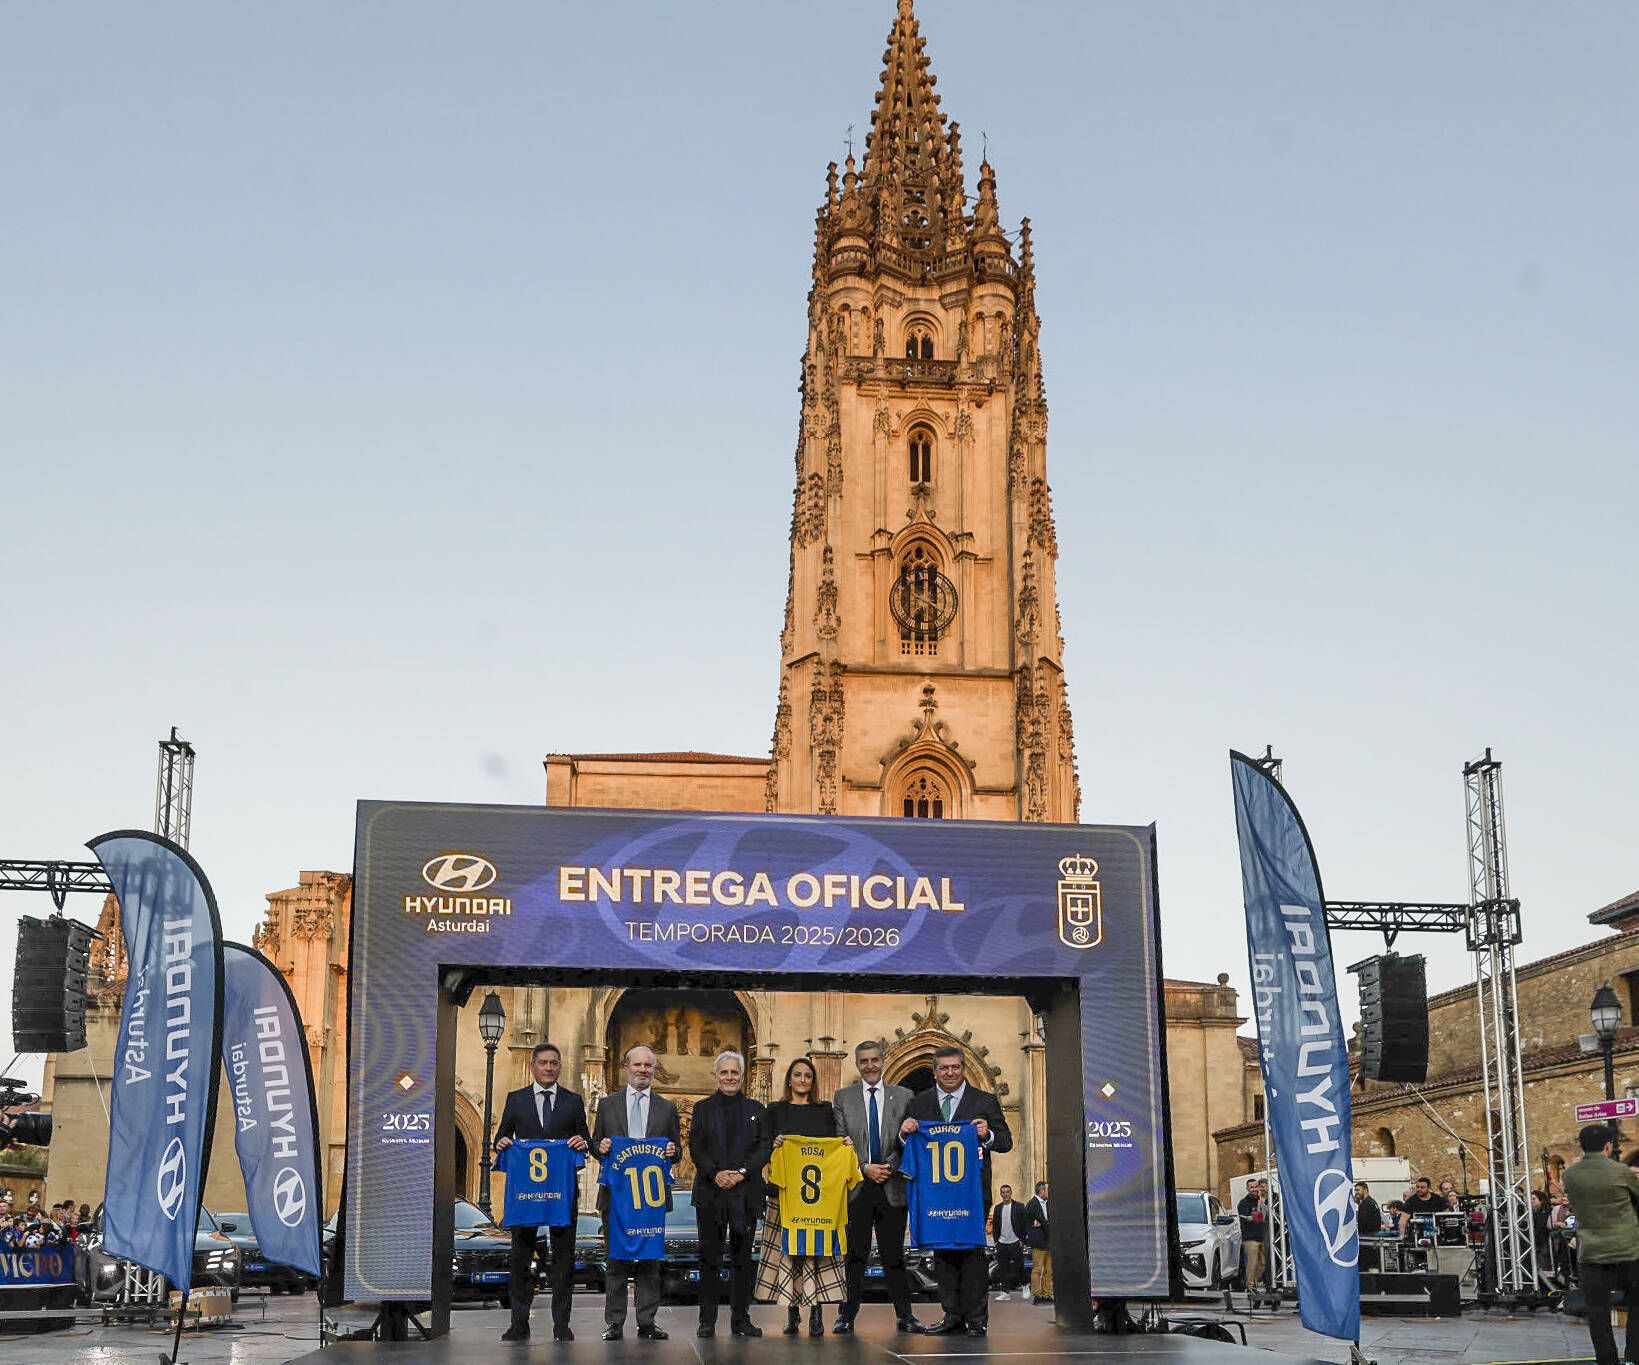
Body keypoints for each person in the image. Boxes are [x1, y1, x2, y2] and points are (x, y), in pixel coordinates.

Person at [899, 1044, 1012, 1336]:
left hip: (972, 1194)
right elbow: (906, 1145)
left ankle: (976, 1319)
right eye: (944, 1068)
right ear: (934, 1071)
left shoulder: (984, 1101)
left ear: (963, 1068)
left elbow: (1006, 1141)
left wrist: (987, 1134)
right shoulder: (919, 1103)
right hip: (935, 1193)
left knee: (972, 1254)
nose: (950, 1072)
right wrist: (904, 1132)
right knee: (943, 1255)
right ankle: (951, 1315)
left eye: (955, 1067)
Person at [493, 1042, 591, 1343]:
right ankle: (518, 1323)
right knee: (520, 1259)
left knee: (563, 1261)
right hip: (525, 1195)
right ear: (534, 1066)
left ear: (559, 1067)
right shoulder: (516, 1099)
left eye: (554, 1063)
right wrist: (503, 1144)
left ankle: (562, 1325)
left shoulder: (573, 1101)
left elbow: (585, 1139)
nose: (549, 1068)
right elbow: (501, 1137)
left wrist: (580, 1142)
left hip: (561, 1194)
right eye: (544, 1063)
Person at [831, 1040, 925, 1334]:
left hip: (892, 1185)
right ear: (857, 1065)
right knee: (855, 1255)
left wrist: (890, 1167)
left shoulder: (904, 1095)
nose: (870, 1066)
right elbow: (839, 1140)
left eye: (874, 1060)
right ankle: (846, 1315)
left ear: (882, 1061)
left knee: (894, 1254)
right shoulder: (843, 1098)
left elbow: (910, 1140)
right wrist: (863, 1168)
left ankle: (905, 1315)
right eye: (864, 1061)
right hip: (858, 1185)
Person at [592, 1045, 680, 1341]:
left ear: (655, 1070)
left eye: (649, 1066)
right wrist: (600, 1147)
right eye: (638, 1065)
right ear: (626, 1067)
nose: (643, 1070)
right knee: (616, 1262)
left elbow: (676, 1150)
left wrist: (672, 1150)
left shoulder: (667, 1108)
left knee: (650, 1263)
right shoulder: (607, 1105)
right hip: (616, 1198)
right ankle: (614, 1323)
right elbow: (596, 1144)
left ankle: (647, 1322)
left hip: (650, 1200)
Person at [758, 1056, 844, 1337]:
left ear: (813, 1081)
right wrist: (775, 1144)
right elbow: (765, 1150)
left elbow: (832, 1146)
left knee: (817, 1255)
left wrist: (845, 1146)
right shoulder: (774, 1110)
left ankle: (817, 1313)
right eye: (798, 1075)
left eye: (808, 1075)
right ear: (789, 1079)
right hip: (785, 1195)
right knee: (790, 1255)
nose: (803, 1080)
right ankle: (792, 1314)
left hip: (817, 1200)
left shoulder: (824, 1110)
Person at [690, 1050, 770, 1339]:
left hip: (745, 1194)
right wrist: (716, 1173)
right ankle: (706, 1321)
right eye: (724, 1072)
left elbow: (764, 1147)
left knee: (742, 1260)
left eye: (734, 1072)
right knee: (709, 1259)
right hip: (710, 1193)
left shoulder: (757, 1109)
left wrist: (742, 1173)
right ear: (716, 1076)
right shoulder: (701, 1109)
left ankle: (741, 1320)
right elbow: (696, 1148)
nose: (729, 1077)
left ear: (743, 1075)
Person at [1565, 1123, 1639, 1365]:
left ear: (1581, 1146)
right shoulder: (1621, 1171)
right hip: (1628, 1249)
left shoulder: (1570, 1174)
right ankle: (1633, 1358)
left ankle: (1607, 1361)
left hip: (1592, 1252)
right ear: (1608, 1146)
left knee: (1598, 1313)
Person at [989, 1184, 1028, 1300]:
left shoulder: (1019, 1207)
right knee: (1003, 1268)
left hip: (1015, 1241)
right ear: (1001, 1194)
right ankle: (1005, 1292)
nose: (1005, 1194)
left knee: (1019, 1266)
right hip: (1002, 1242)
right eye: (1003, 1192)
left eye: (1007, 1192)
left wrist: (1023, 1240)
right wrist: (996, 1241)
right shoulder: (998, 1208)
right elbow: (995, 1225)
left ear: (1011, 1193)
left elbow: (1025, 1224)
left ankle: (1025, 1286)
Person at [1023, 1181, 1051, 1303]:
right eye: (1047, 1190)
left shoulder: (1049, 1203)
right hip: (1039, 1242)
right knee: (1037, 1269)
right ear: (1041, 1191)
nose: (1049, 1193)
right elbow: (1043, 1222)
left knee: (1049, 1270)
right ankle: (1037, 1295)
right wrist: (1045, 1224)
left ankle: (1046, 1294)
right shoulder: (1032, 1204)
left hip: (1049, 1241)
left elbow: (1047, 1221)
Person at [1237, 1179, 1268, 1290]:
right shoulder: (1243, 1203)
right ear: (1248, 1189)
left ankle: (1253, 1282)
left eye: (1256, 1187)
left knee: (1264, 1264)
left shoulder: (1264, 1200)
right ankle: (1250, 1286)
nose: (1254, 1189)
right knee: (1252, 1263)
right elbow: (1256, 1218)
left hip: (1264, 1237)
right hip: (1250, 1238)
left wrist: (1262, 1207)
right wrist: (1260, 1209)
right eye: (1252, 1187)